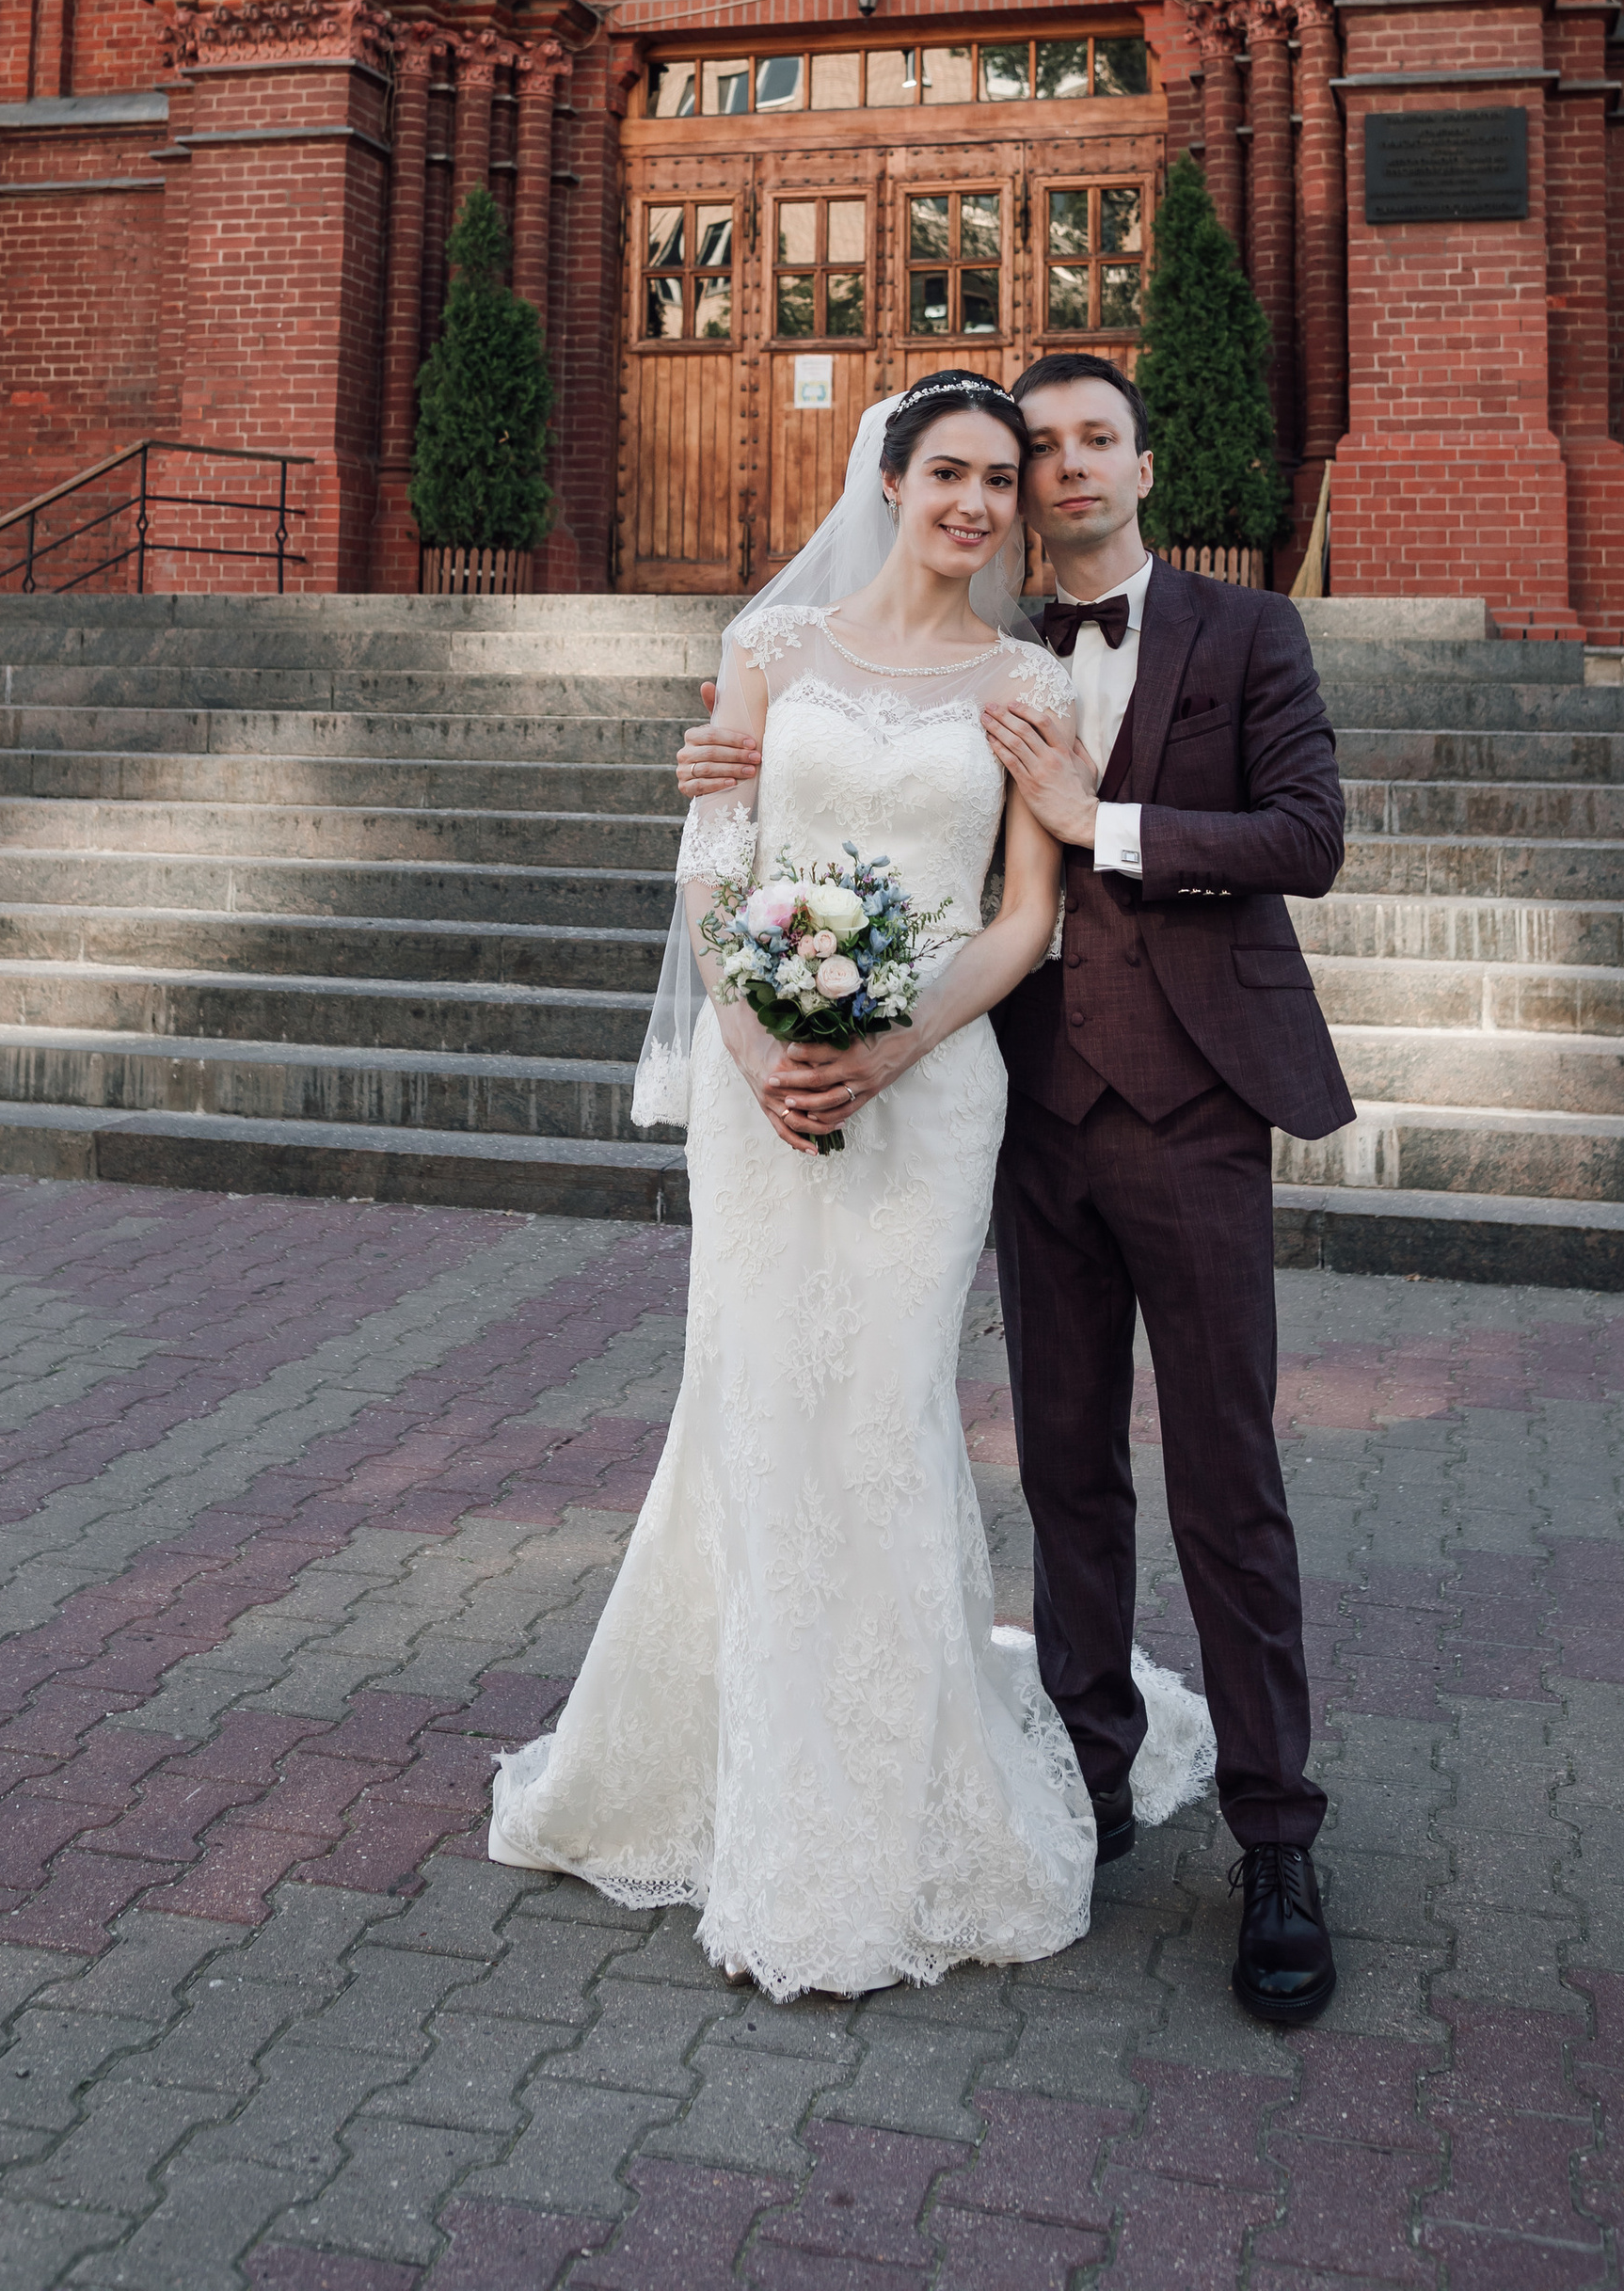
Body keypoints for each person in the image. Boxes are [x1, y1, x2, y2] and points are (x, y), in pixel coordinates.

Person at [491, 375, 1215, 2000]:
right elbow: (716, 867)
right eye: (945, 473)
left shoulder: (1029, 684)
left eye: (997, 482)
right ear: (885, 482)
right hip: (763, 1094)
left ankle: (895, 1797)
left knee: (882, 1414)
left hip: (934, 1088)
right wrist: (758, 1048)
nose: (975, 503)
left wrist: (884, 1052)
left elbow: (1024, 918)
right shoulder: (769, 654)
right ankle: (717, 1767)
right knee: (749, 1405)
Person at [676, 351, 1353, 2026]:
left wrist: (1100, 821)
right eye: (1024, 453)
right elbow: (836, 843)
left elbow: (1307, 834)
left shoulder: (1243, 635)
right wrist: (750, 887)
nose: (1050, 476)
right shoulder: (994, 656)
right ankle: (1094, 1781)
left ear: (1141, 459)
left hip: (1188, 1110)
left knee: (1226, 1477)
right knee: (1063, 1474)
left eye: (1086, 443)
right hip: (1032, 1110)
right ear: (923, 486)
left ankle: (1278, 1840)